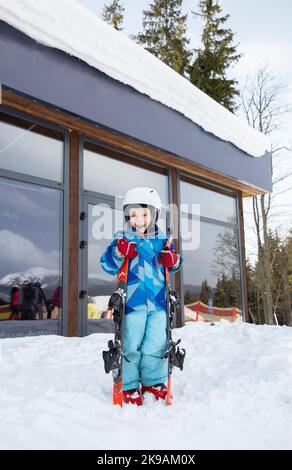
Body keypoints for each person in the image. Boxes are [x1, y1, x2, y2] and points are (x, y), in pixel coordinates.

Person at [100, 187, 182, 405]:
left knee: (156, 343)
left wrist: (171, 259)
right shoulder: (123, 239)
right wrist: (119, 253)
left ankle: (153, 381)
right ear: (128, 215)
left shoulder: (163, 240)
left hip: (158, 303)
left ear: (154, 215)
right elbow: (107, 264)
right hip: (133, 304)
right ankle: (127, 384)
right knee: (131, 343)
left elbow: (175, 264)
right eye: (134, 214)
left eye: (145, 214)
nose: (140, 219)